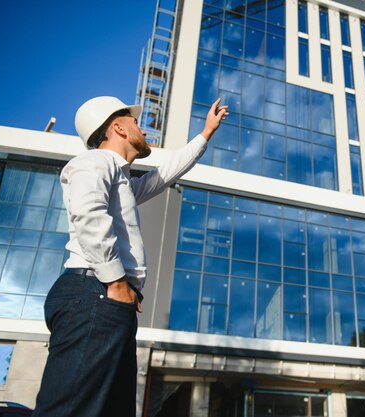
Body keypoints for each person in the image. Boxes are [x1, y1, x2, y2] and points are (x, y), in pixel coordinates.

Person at [32, 96, 228, 417]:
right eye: (135, 122)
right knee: (71, 409)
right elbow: (87, 212)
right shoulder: (95, 162)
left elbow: (164, 175)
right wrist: (116, 282)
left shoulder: (122, 181)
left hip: (107, 300)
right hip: (95, 293)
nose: (142, 128)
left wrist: (205, 133)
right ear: (118, 127)